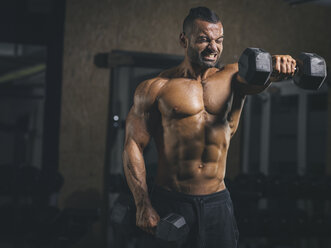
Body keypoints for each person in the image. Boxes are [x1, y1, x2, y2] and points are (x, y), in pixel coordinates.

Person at [122, 6, 296, 248]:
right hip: (171, 201)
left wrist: (280, 64)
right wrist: (143, 204)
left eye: (219, 40)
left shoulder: (234, 76)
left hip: (217, 203)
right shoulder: (155, 87)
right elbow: (133, 145)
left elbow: (261, 76)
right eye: (204, 40)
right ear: (184, 40)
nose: (213, 48)